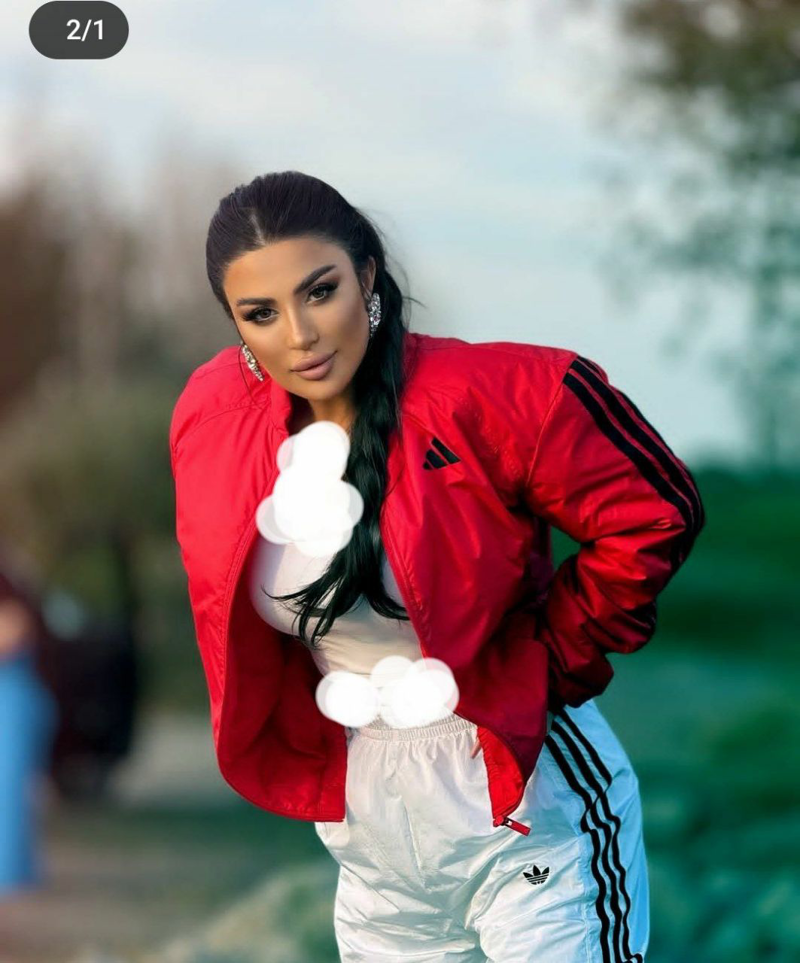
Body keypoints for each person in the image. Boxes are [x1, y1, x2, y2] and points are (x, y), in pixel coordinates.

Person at [169, 170, 705, 962]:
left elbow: (654, 510)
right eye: (261, 313)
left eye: (320, 291)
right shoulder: (213, 418)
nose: (300, 334)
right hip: (372, 837)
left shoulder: (490, 396)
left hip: (529, 806)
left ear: (368, 277)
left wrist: (551, 655)